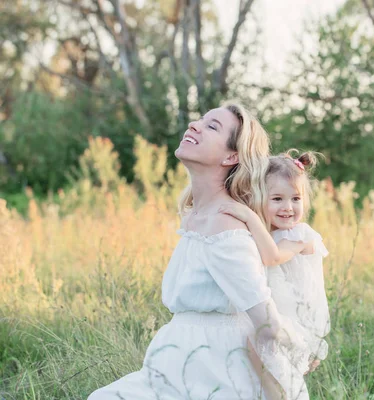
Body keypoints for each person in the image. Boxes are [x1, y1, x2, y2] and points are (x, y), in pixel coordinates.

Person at [88, 103, 309, 400]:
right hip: (178, 360)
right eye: (200, 120)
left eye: (212, 126)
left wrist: (298, 350)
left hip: (215, 370)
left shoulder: (225, 227)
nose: (194, 125)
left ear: (232, 156)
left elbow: (266, 321)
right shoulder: (195, 215)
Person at [218, 150, 330, 376]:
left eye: (296, 199)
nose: (288, 207)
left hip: (295, 322)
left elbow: (273, 257)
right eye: (278, 199)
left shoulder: (299, 235)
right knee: (258, 369)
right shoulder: (264, 233)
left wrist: (249, 217)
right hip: (269, 316)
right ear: (258, 197)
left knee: (277, 374)